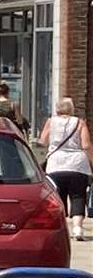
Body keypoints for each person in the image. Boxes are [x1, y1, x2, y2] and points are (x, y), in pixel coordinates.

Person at [39, 98, 93, 241]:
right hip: (77, 164)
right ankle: (77, 228)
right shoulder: (79, 123)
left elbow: (42, 141)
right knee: (78, 196)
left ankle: (62, 229)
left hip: (56, 163)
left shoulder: (51, 122)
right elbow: (86, 145)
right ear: (71, 109)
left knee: (58, 197)